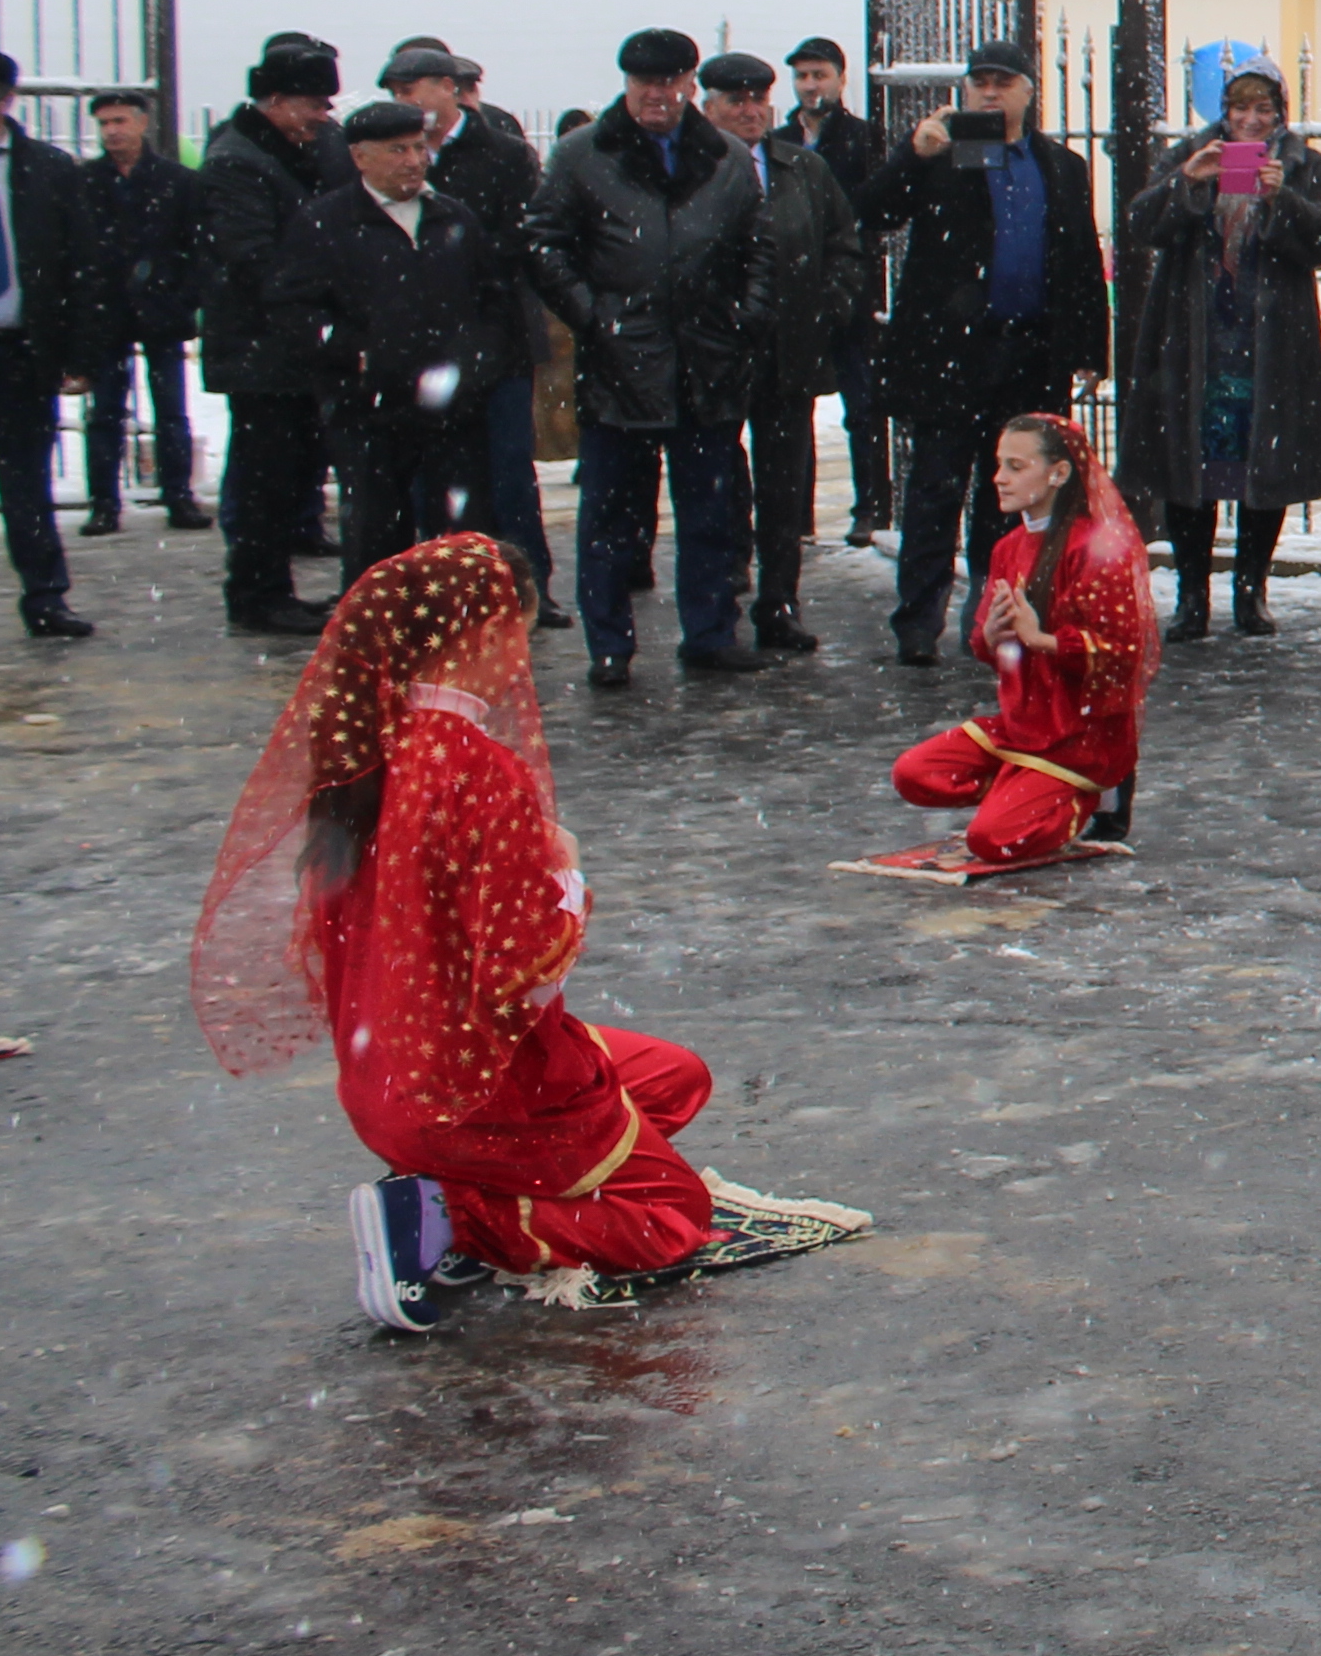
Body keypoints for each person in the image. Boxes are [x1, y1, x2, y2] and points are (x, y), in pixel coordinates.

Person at [191, 534, 860, 1331]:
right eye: (518, 628)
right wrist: (569, 881)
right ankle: (452, 1215)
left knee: (675, 1077)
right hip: (472, 1084)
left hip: (388, 1075)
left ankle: (466, 1182)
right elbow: (522, 977)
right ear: (479, 638)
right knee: (669, 1219)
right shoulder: (475, 771)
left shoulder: (366, 751)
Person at [522, 30, 772, 690]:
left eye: (668, 83)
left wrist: (744, 315)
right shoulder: (583, 155)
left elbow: (757, 246)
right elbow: (545, 243)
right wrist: (592, 314)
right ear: (627, 85)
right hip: (619, 366)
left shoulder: (723, 156)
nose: (656, 96)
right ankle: (609, 643)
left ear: (689, 84)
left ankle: (711, 633)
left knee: (711, 514)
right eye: (644, 84)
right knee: (610, 517)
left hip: (706, 362)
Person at [861, 39, 1114, 668]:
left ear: (1029, 91)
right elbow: (873, 212)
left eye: (1004, 83)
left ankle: (996, 618)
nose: (990, 93)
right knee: (934, 493)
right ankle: (918, 621)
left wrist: (1089, 348)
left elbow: (1081, 259)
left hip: (1028, 354)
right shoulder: (944, 157)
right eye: (980, 83)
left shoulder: (1061, 166)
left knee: (1011, 503)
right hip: (951, 357)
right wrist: (914, 158)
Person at [1118, 62, 1321, 641]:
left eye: (1263, 109)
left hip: (1269, 342)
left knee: (1262, 466)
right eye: (1240, 108)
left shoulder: (1305, 165)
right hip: (1194, 342)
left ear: (1280, 114)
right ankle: (1191, 596)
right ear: (1224, 111)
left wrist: (1281, 200)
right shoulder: (1190, 155)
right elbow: (1141, 224)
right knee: (1189, 468)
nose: (1250, 120)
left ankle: (1252, 591)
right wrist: (1189, 183)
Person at [888, 411, 1150, 865]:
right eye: (999, 464)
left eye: (1016, 466)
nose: (999, 478)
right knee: (913, 774)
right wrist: (992, 638)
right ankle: (1028, 790)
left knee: (992, 841)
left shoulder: (1098, 548)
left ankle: (1088, 793)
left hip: (1079, 735)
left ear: (1059, 474)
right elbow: (1001, 656)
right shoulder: (1008, 547)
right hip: (1023, 726)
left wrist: (1044, 640)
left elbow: (1121, 655)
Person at [277, 96, 513, 568]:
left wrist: (474, 364)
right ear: (360, 157)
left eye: (417, 148)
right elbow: (294, 308)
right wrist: (353, 354)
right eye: (396, 151)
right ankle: (380, 633)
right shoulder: (326, 223)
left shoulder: (454, 218)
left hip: (451, 405)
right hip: (367, 409)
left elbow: (493, 304)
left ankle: (460, 629)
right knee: (376, 530)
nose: (412, 161)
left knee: (462, 532)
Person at [387, 44, 562, 624]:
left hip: (499, 336)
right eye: (396, 93)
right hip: (425, 347)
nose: (404, 102)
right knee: (433, 469)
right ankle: (444, 585)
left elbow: (526, 236)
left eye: (412, 89)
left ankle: (527, 586)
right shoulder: (397, 156)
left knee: (510, 467)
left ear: (447, 87)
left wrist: (459, 265)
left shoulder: (503, 153)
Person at [696, 54, 864, 657]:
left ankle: (779, 601)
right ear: (707, 105)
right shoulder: (693, 168)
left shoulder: (802, 168)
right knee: (716, 482)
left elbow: (846, 244)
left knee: (785, 486)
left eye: (757, 99)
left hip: (789, 353)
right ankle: (717, 602)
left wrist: (828, 307)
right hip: (714, 353)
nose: (748, 110)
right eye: (733, 100)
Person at [0, 47, 98, 641]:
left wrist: (80, 355)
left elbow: (81, 263)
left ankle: (45, 597)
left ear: (6, 100)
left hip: (21, 351)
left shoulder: (48, 170)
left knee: (26, 482)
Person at [194, 38, 347, 635]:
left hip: (303, 347)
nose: (321, 115)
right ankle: (256, 592)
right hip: (260, 350)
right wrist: (319, 288)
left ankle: (274, 587)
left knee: (296, 475)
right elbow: (251, 260)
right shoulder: (236, 161)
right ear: (274, 100)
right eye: (312, 103)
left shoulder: (316, 147)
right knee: (263, 479)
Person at [73, 84, 203, 535]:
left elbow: (195, 245)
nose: (112, 132)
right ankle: (104, 503)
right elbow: (73, 249)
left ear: (142, 122)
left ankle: (179, 496)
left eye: (120, 121)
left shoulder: (176, 181)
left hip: (162, 307)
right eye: (104, 124)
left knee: (171, 409)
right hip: (106, 310)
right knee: (105, 411)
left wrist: (184, 295)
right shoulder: (85, 182)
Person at [782, 36, 896, 543]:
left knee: (863, 403)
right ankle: (796, 514)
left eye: (819, 75)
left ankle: (870, 506)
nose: (811, 85)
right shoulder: (780, 138)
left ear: (840, 79)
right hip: (795, 288)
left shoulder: (864, 138)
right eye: (803, 76)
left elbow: (874, 207)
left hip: (852, 286)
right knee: (793, 405)